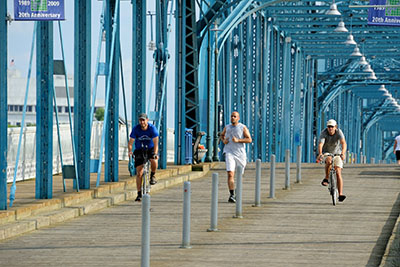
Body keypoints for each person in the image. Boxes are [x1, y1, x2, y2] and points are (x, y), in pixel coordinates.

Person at [220, 111, 252, 203]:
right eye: (231, 116)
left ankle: (237, 192)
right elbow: (222, 135)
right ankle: (231, 194)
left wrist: (238, 140)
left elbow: (249, 139)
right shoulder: (227, 127)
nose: (232, 118)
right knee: (230, 173)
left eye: (234, 116)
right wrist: (223, 140)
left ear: (238, 118)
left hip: (240, 154)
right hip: (229, 152)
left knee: (239, 176)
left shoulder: (243, 127)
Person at [128, 113, 159, 202]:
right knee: (139, 173)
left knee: (154, 160)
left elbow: (156, 143)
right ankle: (139, 194)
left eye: (143, 120)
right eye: (140, 120)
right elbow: (131, 142)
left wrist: (155, 153)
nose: (142, 122)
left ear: (147, 120)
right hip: (139, 149)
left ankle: (153, 175)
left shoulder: (152, 129)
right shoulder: (136, 129)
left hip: (150, 148)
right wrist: (130, 151)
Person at [317, 119, 347, 202]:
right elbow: (320, 144)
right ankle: (326, 178)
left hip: (337, 153)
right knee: (329, 161)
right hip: (327, 152)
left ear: (335, 127)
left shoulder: (339, 132)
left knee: (338, 172)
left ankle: (340, 194)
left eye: (332, 127)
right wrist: (320, 153)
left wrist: (343, 153)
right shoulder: (324, 133)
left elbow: (343, 143)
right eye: (329, 127)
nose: (330, 128)